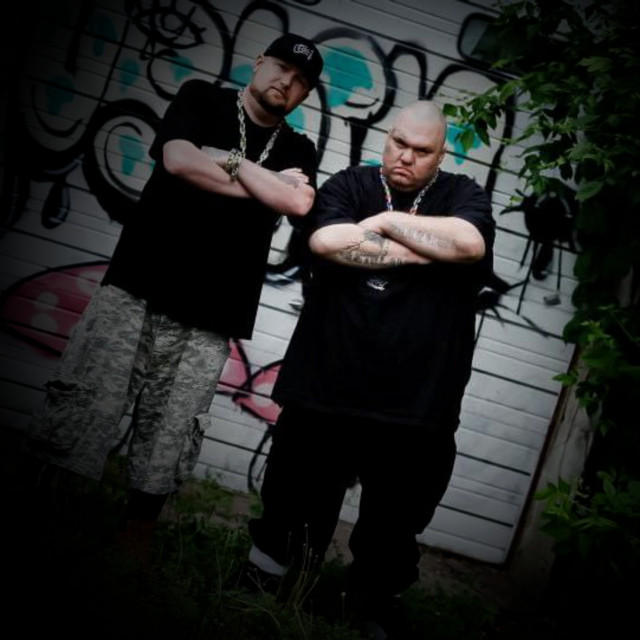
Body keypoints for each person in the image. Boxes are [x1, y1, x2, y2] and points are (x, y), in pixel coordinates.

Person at [23, 33, 324, 560]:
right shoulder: (200, 98)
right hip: (138, 284)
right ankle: (44, 514)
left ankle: (137, 531)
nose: (286, 82)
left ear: (305, 94)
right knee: (87, 400)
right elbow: (179, 160)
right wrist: (264, 182)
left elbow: (297, 204)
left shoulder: (299, 149)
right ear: (259, 63)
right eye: (280, 68)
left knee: (173, 426)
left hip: (214, 310)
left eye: (300, 81)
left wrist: (228, 164)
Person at [245, 100, 496, 637]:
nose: (406, 156)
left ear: (440, 154)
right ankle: (266, 576)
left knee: (395, 520)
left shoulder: (464, 196)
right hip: (325, 385)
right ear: (388, 136)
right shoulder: (349, 184)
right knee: (292, 496)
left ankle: (374, 604)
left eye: (422, 150)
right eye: (399, 142)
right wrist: (427, 249)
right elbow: (326, 241)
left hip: (416, 402)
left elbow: (470, 243)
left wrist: (382, 224)